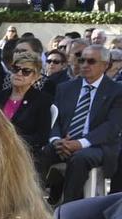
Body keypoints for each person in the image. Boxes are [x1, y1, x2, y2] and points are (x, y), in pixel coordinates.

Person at [38, 42, 120, 204]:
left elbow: (112, 127)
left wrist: (80, 143)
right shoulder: (65, 88)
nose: (84, 65)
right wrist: (56, 140)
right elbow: (55, 119)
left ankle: (70, 209)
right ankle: (31, 203)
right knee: (41, 153)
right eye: (82, 60)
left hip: (97, 146)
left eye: (91, 61)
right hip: (64, 143)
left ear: (104, 65)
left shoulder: (116, 91)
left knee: (79, 158)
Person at [0, 49, 55, 167]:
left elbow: (41, 137)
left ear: (36, 77)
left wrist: (11, 140)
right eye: (15, 69)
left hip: (20, 154)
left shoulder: (42, 101)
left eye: (26, 71)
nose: (19, 73)